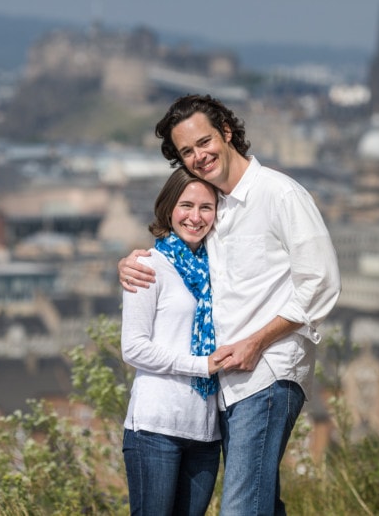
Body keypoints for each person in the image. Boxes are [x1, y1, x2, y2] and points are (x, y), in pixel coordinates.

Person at [119, 94, 341, 515]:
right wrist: (130, 263)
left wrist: (257, 341)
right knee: (260, 501)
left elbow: (322, 281)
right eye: (187, 152)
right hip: (226, 388)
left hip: (269, 373)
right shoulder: (216, 209)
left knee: (241, 508)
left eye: (204, 142)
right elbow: (176, 260)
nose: (199, 156)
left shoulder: (280, 194)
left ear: (226, 132)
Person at [121, 166, 225, 516]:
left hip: (205, 432)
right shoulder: (149, 265)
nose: (195, 217)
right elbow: (133, 347)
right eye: (186, 205)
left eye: (206, 207)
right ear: (168, 208)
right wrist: (202, 365)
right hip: (155, 427)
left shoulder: (220, 271)